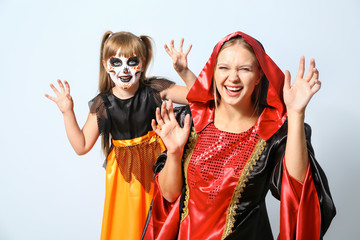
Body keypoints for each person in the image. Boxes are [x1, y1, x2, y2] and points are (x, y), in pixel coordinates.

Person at [143, 31, 336, 239]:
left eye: (244, 69)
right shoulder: (190, 121)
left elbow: (300, 191)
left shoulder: (273, 132)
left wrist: (296, 114)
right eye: (224, 68)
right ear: (213, 72)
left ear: (259, 75)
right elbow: (169, 195)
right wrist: (174, 152)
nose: (232, 78)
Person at [45, 31, 196, 240]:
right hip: (125, 176)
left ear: (142, 64)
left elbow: (198, 98)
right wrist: (67, 112)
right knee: (130, 228)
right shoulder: (103, 104)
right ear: (106, 65)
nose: (124, 69)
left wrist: (184, 71)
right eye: (116, 62)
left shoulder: (155, 90)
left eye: (131, 61)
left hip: (158, 166)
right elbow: (81, 145)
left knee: (163, 221)